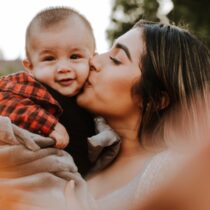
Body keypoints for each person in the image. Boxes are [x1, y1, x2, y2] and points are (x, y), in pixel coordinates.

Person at [0, 19, 210, 210]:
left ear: (155, 98)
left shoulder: (170, 172)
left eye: (116, 59)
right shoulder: (87, 142)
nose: (94, 60)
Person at [0, 6, 103, 176]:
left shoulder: (93, 94)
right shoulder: (32, 86)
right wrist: (47, 124)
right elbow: (2, 96)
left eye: (75, 57)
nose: (63, 68)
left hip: (78, 183)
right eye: (49, 58)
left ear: (92, 59)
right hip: (34, 178)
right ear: (30, 67)